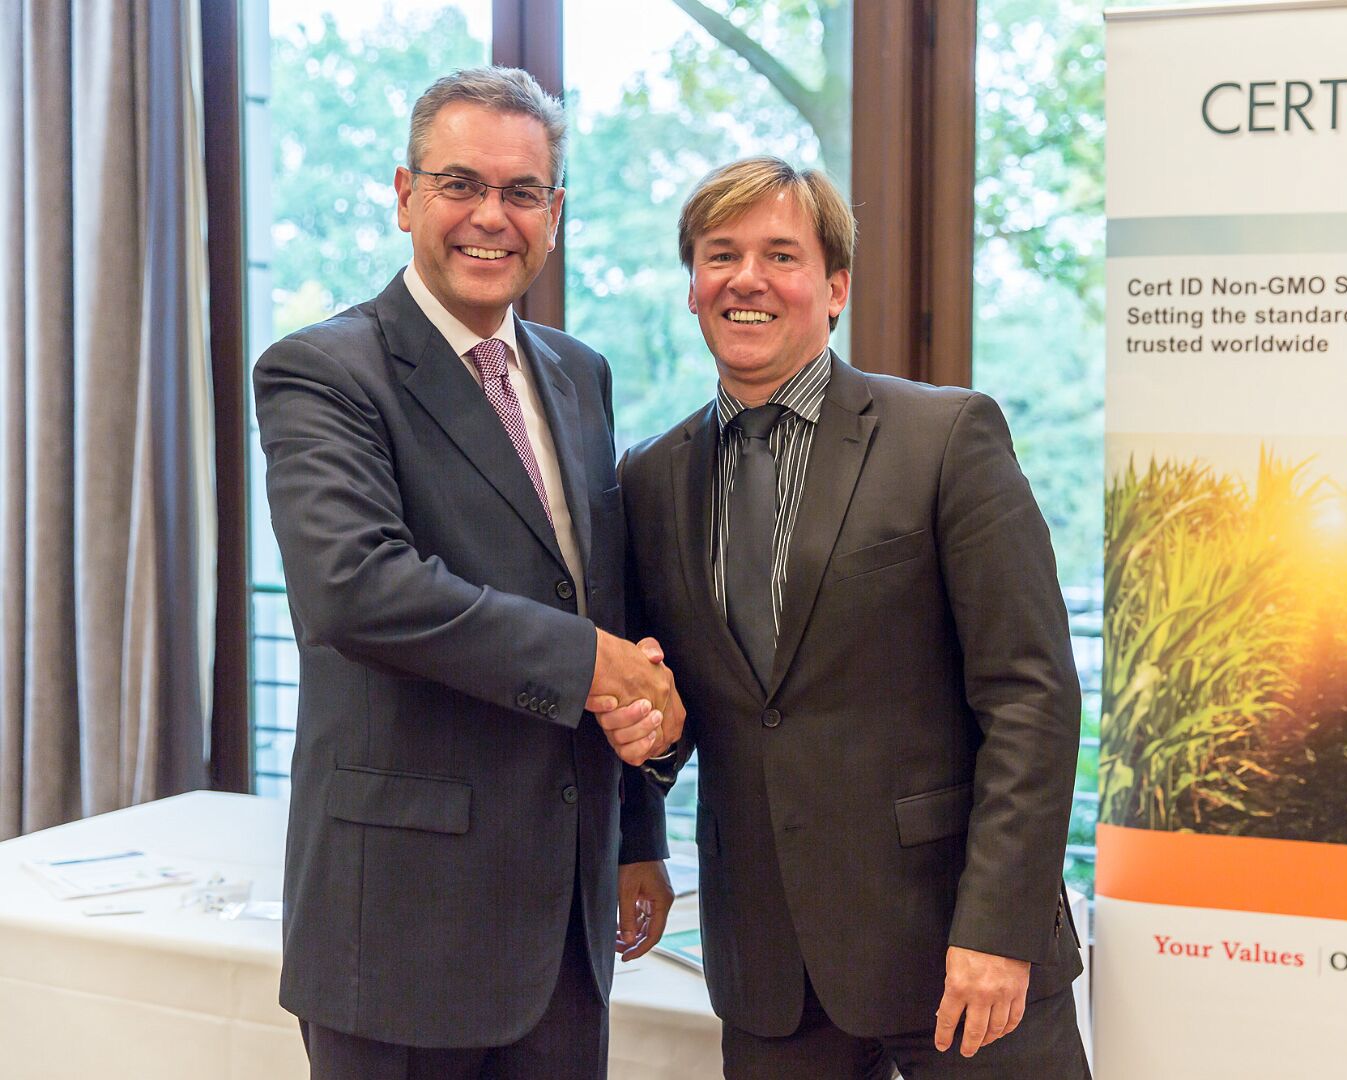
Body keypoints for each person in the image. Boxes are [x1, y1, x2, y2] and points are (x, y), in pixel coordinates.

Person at [611, 156, 1089, 1078]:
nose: (747, 279)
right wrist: (637, 838)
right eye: (721, 255)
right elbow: (658, 689)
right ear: (693, 288)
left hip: (958, 948)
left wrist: (999, 927)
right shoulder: (650, 478)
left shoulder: (946, 437)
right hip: (771, 969)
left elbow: (1031, 696)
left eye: (780, 255)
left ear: (834, 288)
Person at [254, 66, 683, 1080]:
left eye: (522, 192)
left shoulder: (578, 374)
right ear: (406, 197)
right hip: (400, 931)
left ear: (554, 215)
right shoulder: (324, 369)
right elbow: (356, 587)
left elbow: (601, 601)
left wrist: (638, 835)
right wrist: (591, 664)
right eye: (461, 184)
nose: (492, 216)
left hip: (566, 932)